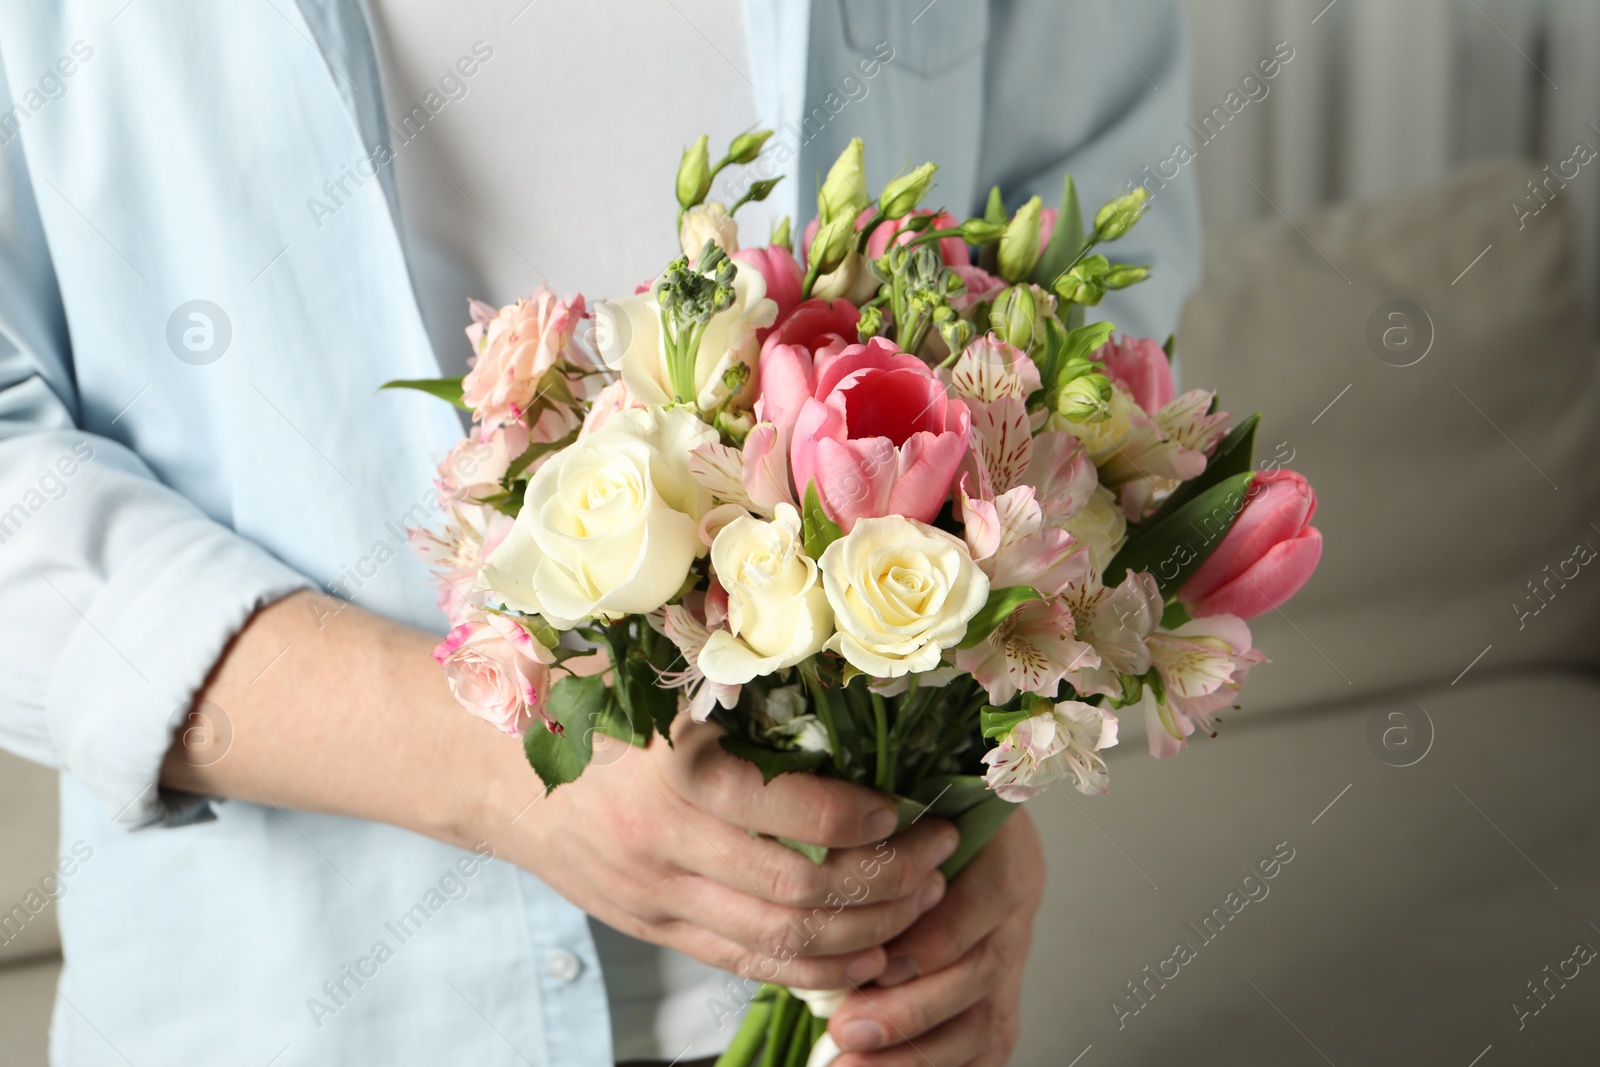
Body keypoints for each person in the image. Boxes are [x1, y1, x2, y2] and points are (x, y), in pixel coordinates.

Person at [0, 2, 1197, 1064]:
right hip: (299, 1007)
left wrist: (965, 779)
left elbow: (1083, 310)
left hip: (852, 991)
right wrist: (503, 778)